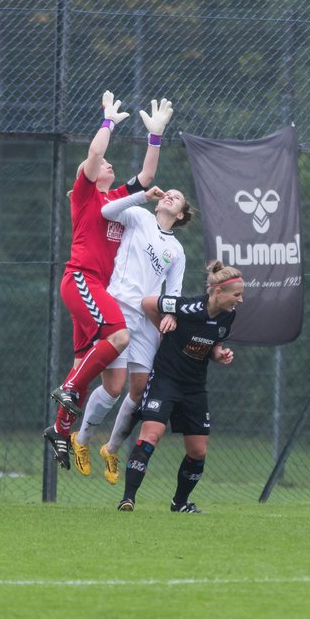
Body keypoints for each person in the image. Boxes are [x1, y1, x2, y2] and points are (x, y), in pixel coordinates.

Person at [43, 91, 173, 469]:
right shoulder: (86, 196)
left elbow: (147, 177)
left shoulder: (116, 199)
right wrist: (107, 123)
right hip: (82, 280)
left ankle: (60, 430)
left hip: (97, 289)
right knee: (119, 337)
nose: (110, 166)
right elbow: (96, 155)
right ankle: (67, 392)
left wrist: (155, 136)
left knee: (99, 373)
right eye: (105, 165)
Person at [69, 187, 190, 481]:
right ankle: (81, 440)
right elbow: (106, 212)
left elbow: (173, 293)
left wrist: (170, 316)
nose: (170, 196)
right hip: (118, 308)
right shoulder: (138, 216)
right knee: (113, 388)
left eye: (177, 197)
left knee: (139, 392)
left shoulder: (177, 251)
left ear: (182, 214)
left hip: (146, 320)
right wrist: (142, 195)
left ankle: (110, 449)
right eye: (167, 194)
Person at [117, 260, 242, 513]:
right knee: (150, 436)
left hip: (195, 388)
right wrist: (163, 324)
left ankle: (180, 503)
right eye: (237, 295)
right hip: (166, 381)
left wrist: (220, 355)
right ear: (218, 292)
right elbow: (148, 303)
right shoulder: (187, 306)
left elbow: (214, 348)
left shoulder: (228, 316)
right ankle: (127, 499)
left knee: (198, 451)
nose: (240, 300)